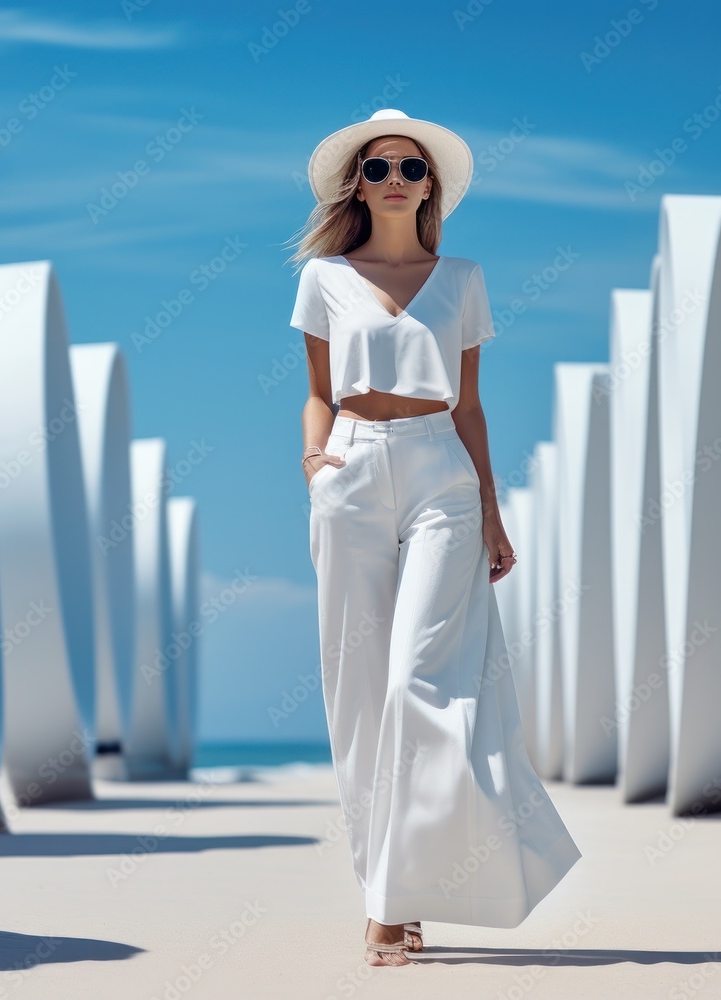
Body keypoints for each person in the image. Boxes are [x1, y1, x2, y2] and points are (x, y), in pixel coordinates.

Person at [286, 109, 582, 968]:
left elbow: (472, 405)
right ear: (357, 183)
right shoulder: (324, 279)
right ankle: (394, 888)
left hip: (441, 476)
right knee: (357, 693)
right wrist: (316, 463)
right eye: (376, 168)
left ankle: (391, 906)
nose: (392, 181)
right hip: (352, 468)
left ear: (431, 187)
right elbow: (314, 390)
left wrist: (491, 510)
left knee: (420, 681)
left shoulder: (463, 278)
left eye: (409, 169)